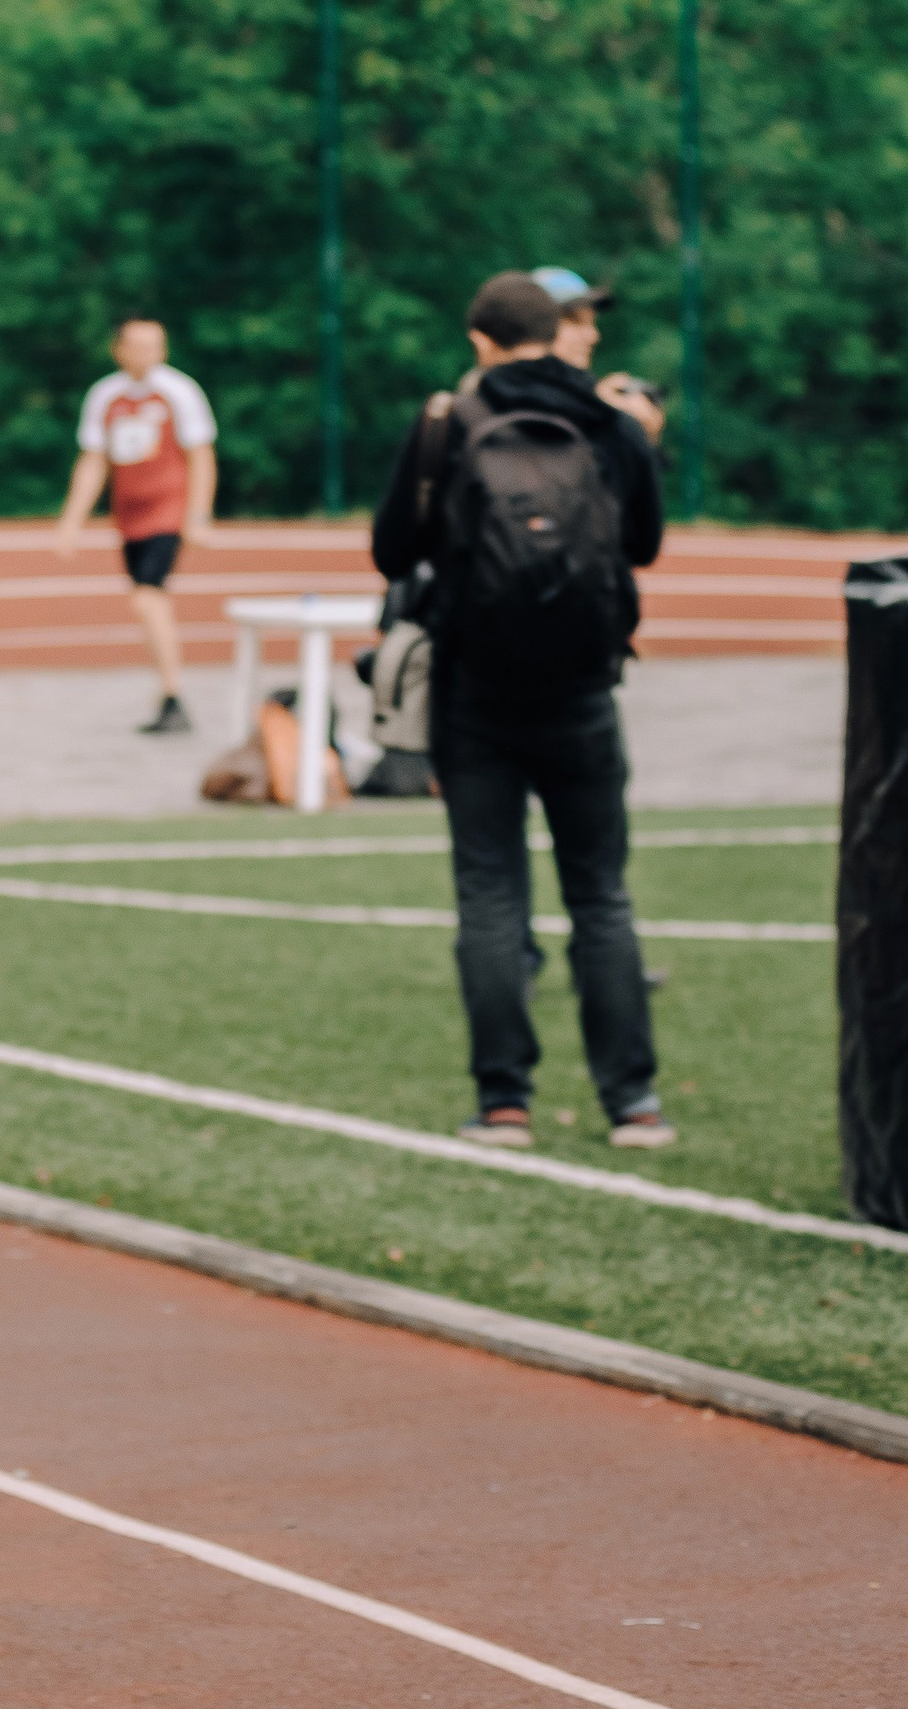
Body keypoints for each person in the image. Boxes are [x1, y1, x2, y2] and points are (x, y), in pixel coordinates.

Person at [371, 270, 673, 1152]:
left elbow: (393, 548)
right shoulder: (614, 424)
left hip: (476, 697)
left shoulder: (446, 423)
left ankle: (504, 1103)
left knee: (491, 897)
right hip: (583, 691)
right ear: (559, 331)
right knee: (603, 897)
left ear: (480, 341)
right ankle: (635, 1103)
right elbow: (645, 544)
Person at [52, 317, 219, 734]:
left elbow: (201, 455)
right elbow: (94, 460)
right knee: (146, 599)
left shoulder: (179, 391)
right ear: (119, 349)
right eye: (137, 345)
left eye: (154, 346)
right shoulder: (105, 395)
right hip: (129, 517)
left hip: (168, 511)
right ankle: (168, 696)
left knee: (148, 597)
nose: (146, 354)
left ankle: (173, 692)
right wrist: (72, 520)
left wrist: (197, 516)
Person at [531, 266, 669, 444]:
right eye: (575, 321)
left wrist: (642, 440)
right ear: (532, 325)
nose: (593, 336)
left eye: (592, 323)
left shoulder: (587, 395)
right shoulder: (498, 397)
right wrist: (597, 413)